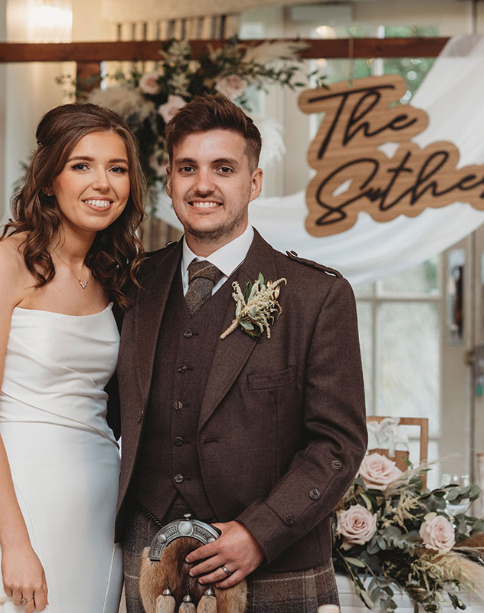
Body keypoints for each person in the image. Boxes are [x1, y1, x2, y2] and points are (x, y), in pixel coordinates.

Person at [115, 94, 367, 612]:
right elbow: (86, 402)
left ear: (254, 182)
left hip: (274, 569)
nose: (202, 184)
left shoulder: (317, 296)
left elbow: (337, 444)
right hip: (149, 567)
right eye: (188, 168)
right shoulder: (132, 285)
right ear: (170, 180)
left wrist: (259, 532)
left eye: (223, 168)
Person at [0, 103, 145, 613]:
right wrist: (16, 545)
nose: (102, 182)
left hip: (98, 506)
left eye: (117, 168)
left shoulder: (114, 276)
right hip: (17, 502)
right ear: (48, 181)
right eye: (82, 165)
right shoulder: (2, 265)